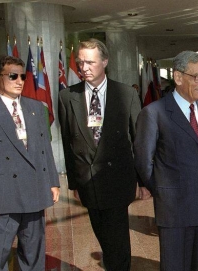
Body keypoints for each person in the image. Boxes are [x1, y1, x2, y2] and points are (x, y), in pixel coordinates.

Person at [58, 38, 142, 271]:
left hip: (118, 179)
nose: (84, 68)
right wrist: (74, 183)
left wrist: (143, 181)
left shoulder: (126, 94)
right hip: (87, 181)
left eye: (90, 62)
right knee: (103, 234)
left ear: (104, 61)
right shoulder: (67, 97)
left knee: (117, 237)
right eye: (80, 62)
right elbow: (67, 141)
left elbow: (139, 140)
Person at [134, 51, 198, 271]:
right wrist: (163, 190)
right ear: (178, 77)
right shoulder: (154, 113)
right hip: (174, 209)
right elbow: (143, 161)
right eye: (197, 77)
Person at [0, 56, 60, 271]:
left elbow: (44, 148)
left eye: (23, 76)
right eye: (13, 76)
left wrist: (53, 182)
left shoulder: (36, 108)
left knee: (33, 256)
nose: (19, 80)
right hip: (1, 197)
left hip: (34, 192)